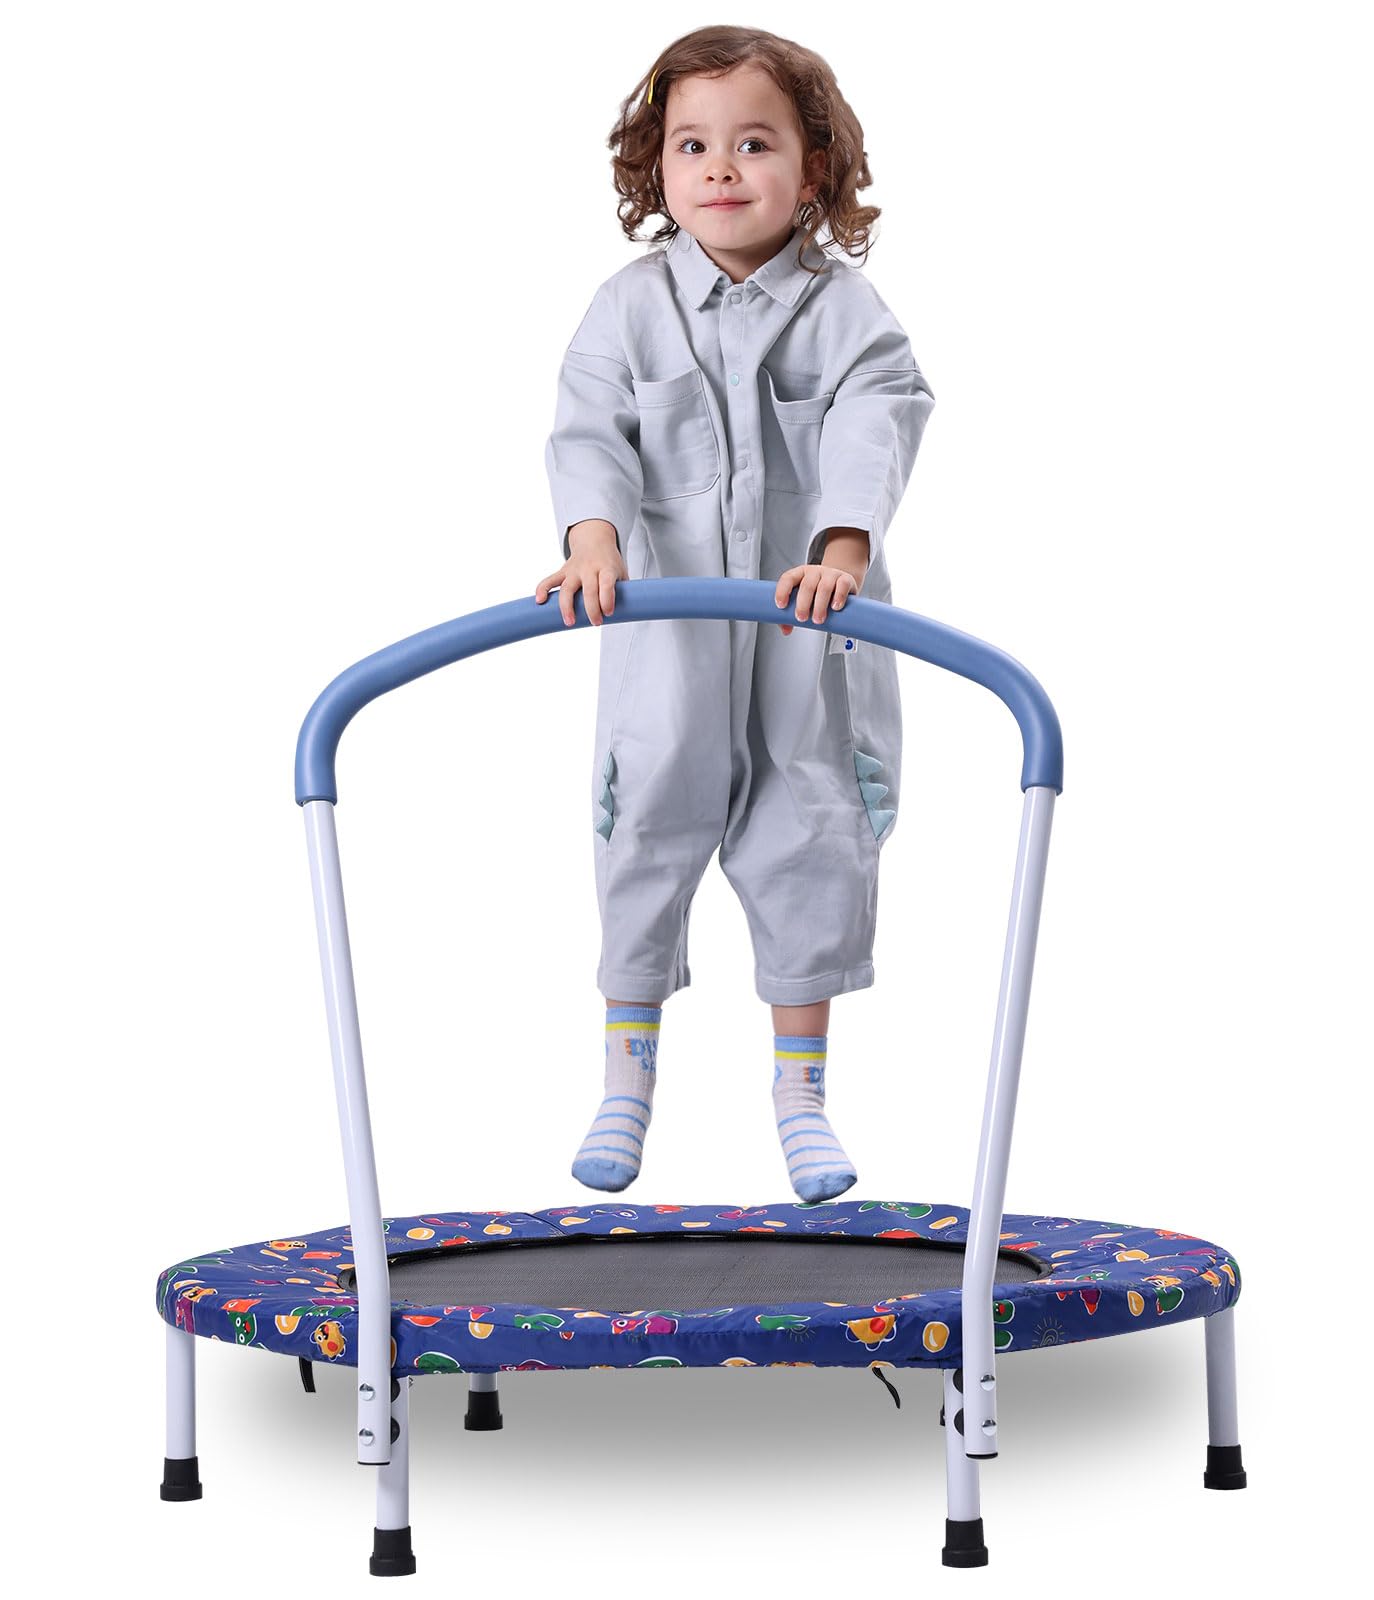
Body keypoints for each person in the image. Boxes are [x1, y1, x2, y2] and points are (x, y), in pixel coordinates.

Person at [536, 25, 934, 1202]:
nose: (720, 167)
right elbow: (589, 428)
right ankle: (625, 1080)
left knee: (810, 829)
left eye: (754, 144)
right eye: (692, 145)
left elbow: (877, 416)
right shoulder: (627, 308)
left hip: (807, 627)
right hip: (668, 634)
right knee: (645, 823)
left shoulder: (845, 311)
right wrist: (592, 538)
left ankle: (800, 1093)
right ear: (654, 169)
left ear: (812, 172)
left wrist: (841, 546)